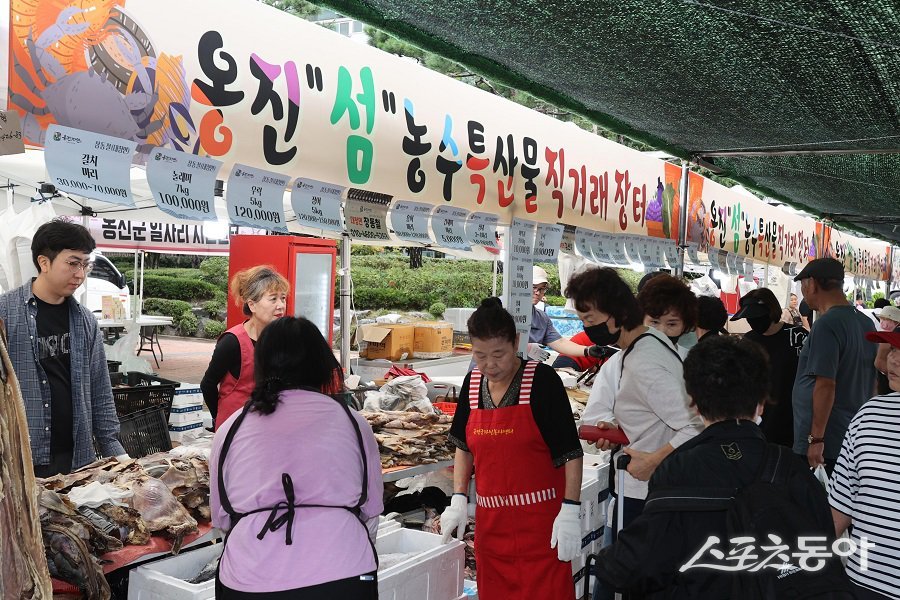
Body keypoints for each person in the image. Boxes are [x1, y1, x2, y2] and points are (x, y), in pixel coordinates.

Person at [595, 336, 851, 599]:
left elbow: (635, 566)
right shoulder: (790, 468)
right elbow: (822, 549)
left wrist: (604, 562)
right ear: (761, 401)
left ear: (693, 402)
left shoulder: (679, 470)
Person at [210, 317, 381, 599]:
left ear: (262, 365)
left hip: (249, 578)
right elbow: (370, 509)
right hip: (342, 574)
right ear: (321, 365)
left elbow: (222, 517)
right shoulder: (353, 423)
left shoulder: (230, 429)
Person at [442, 297, 583, 600]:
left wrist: (571, 509)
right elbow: (463, 446)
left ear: (516, 342)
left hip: (542, 529)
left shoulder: (542, 381)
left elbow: (571, 452)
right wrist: (457, 496)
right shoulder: (473, 383)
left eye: (499, 354)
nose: (489, 365)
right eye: (480, 356)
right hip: (491, 530)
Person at [567, 268, 703, 529]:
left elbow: (695, 425)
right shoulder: (650, 340)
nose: (587, 328)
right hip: (655, 489)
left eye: (590, 319)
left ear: (618, 313)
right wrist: (620, 428)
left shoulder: (643, 362)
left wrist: (653, 461)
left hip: (646, 493)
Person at [0, 219, 123, 477]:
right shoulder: (5, 313)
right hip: (20, 459)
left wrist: (116, 452)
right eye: (72, 263)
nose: (80, 274)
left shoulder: (85, 320)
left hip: (77, 457)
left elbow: (100, 390)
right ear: (44, 262)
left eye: (85, 265)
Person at [831, 329, 900, 600]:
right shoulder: (870, 414)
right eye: (893, 349)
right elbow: (841, 506)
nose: (893, 360)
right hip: (865, 583)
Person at [792, 258, 876, 475]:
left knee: (817, 504)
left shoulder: (827, 324)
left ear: (812, 284)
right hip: (851, 433)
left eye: (803, 286)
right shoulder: (865, 323)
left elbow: (825, 385)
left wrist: (816, 438)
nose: (803, 292)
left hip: (827, 440)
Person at [201, 266, 288, 430]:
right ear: (252, 305)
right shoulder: (231, 342)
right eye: (273, 299)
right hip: (235, 427)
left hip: (268, 426)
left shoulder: (282, 339)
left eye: (283, 298)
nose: (281, 305)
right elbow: (208, 384)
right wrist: (218, 418)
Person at [733, 288, 808, 447]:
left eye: (757, 317)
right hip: (759, 422)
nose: (753, 322)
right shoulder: (747, 342)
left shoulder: (798, 337)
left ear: (772, 311)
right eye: (749, 318)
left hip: (794, 420)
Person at [529, 265, 602, 362]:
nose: (537, 292)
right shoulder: (505, 310)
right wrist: (522, 347)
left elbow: (560, 342)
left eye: (542, 289)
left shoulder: (542, 318)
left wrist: (588, 350)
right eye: (534, 287)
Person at [637, 274, 698, 356]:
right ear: (642, 320)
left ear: (685, 326)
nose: (661, 332)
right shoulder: (621, 362)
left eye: (672, 324)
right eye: (654, 322)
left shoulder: (690, 363)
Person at [872, 305, 900, 395]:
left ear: (896, 322)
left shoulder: (888, 336)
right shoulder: (886, 338)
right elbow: (879, 362)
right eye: (881, 319)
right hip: (887, 381)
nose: (882, 322)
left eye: (885, 319)